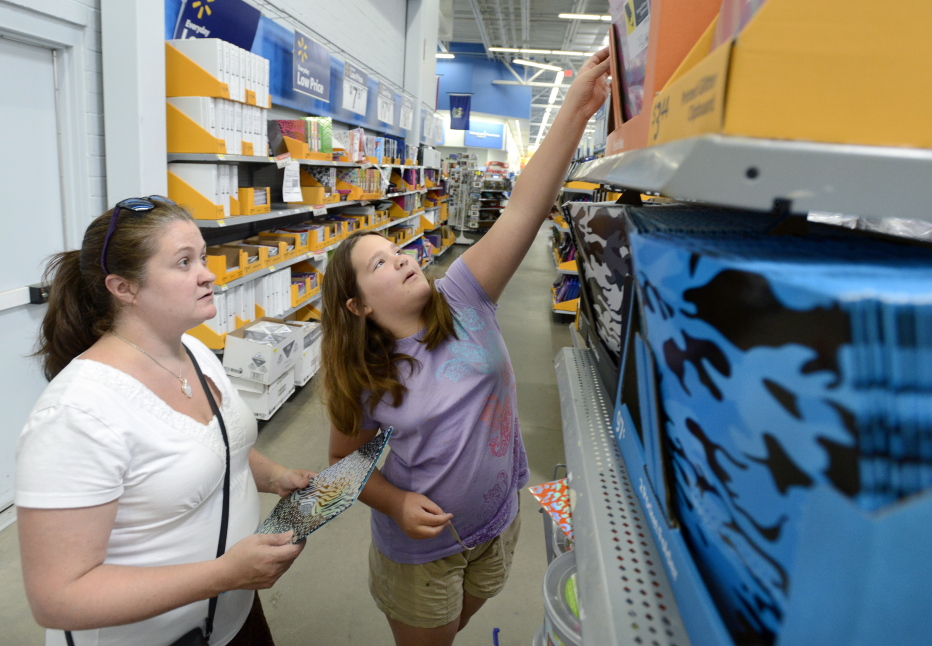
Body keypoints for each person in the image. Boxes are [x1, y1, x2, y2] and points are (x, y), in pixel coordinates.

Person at [323, 48, 611, 646]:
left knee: (458, 623)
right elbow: (345, 468)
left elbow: (527, 204)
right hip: (421, 551)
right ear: (359, 307)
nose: (401, 257)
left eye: (396, 249)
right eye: (379, 263)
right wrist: (396, 503)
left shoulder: (464, 296)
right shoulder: (361, 374)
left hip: (499, 523)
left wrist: (579, 109)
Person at [16, 197, 317, 646]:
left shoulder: (193, 352)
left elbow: (216, 441)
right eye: (183, 262)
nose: (208, 273)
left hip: (232, 617)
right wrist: (222, 574)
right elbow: (58, 598)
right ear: (124, 288)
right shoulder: (75, 414)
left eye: (201, 256)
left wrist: (275, 476)